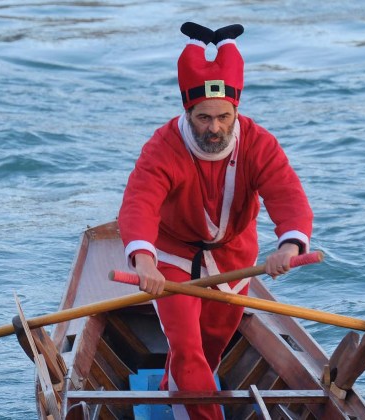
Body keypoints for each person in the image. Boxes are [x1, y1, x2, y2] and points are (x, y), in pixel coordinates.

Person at [118, 22, 313, 419]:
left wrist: (289, 245)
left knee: (210, 349)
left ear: (236, 109)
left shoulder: (259, 143)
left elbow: (287, 194)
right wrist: (143, 259)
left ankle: (172, 382)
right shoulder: (163, 147)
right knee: (189, 351)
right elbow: (139, 203)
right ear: (188, 111)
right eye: (204, 118)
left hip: (234, 258)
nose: (215, 128)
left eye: (224, 117)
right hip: (171, 258)